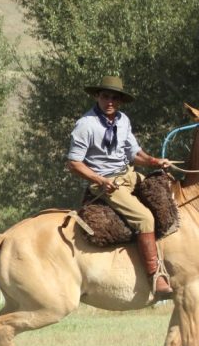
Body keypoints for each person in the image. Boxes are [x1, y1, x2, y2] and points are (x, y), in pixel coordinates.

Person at [66, 75, 175, 297]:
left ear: (120, 101)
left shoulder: (123, 120)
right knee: (145, 218)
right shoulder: (86, 125)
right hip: (108, 185)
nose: (110, 102)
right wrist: (99, 180)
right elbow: (74, 163)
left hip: (129, 175)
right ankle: (155, 275)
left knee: (168, 194)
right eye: (105, 96)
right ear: (97, 96)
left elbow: (134, 154)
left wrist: (154, 161)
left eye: (115, 98)